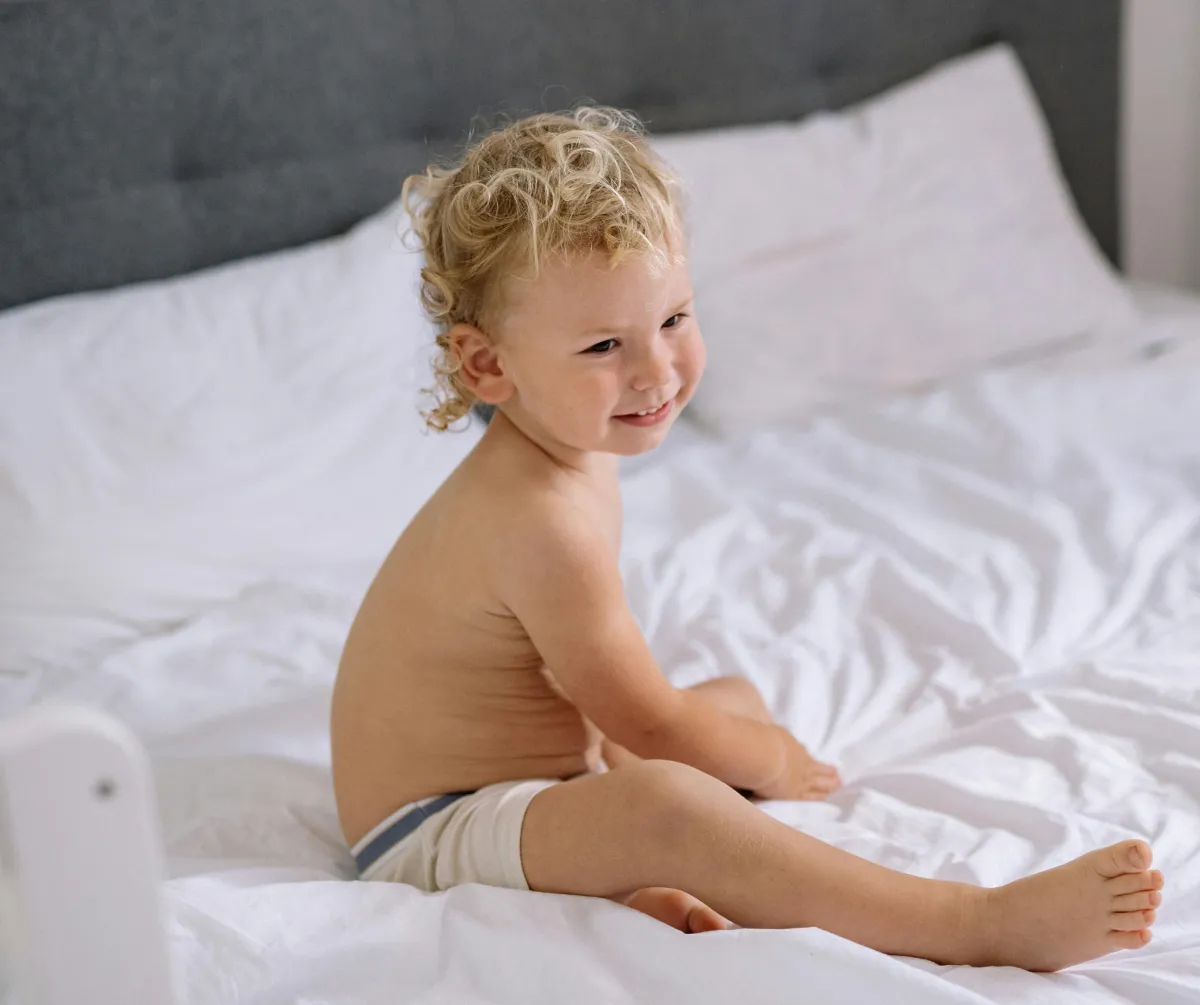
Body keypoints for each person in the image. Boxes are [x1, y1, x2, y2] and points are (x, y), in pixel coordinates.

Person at [329, 106, 1162, 969]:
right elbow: (645, 720)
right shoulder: (536, 518)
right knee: (671, 801)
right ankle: (974, 921)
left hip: (542, 778)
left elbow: (602, 698)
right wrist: (770, 761)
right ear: (488, 366)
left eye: (674, 319)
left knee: (727, 697)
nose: (656, 370)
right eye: (606, 344)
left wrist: (722, 745)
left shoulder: (571, 452)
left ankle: (617, 888)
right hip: (433, 829)